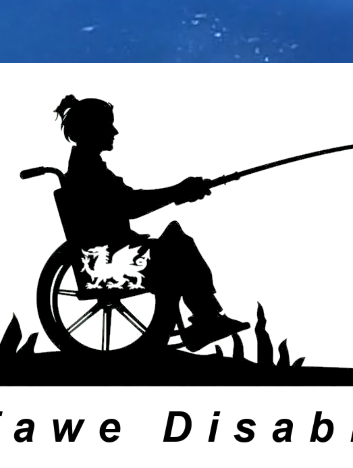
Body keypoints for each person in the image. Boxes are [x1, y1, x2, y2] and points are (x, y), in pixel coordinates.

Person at [53, 93, 249, 352]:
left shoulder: (88, 167)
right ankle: (206, 318)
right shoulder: (88, 171)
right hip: (110, 262)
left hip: (114, 254)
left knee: (175, 238)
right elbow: (131, 206)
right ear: (92, 129)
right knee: (178, 244)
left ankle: (206, 318)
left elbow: (128, 202)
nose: (115, 131)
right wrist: (178, 191)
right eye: (108, 125)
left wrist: (179, 192)